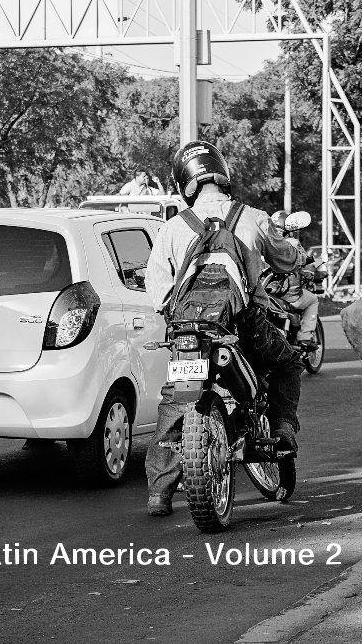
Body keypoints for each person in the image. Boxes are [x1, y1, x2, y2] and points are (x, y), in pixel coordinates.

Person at [143, 141, 306, 516]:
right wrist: (296, 254)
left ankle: (159, 493)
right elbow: (284, 261)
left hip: (190, 331)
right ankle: (281, 429)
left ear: (186, 183)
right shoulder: (252, 217)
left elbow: (158, 289)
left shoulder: (171, 229)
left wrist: (180, 318)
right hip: (244, 324)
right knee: (287, 364)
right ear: (222, 174)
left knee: (175, 400)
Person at [269, 210, 319, 348]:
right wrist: (312, 273)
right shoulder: (292, 243)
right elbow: (307, 265)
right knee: (313, 300)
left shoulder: (264, 242)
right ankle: (305, 337)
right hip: (289, 296)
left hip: (267, 294)